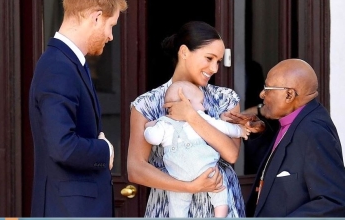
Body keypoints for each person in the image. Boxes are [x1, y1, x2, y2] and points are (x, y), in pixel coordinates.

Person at [127, 21, 264, 218]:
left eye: (218, 61)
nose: (215, 68)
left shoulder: (225, 98)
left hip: (220, 206)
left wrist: (191, 115)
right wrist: (189, 187)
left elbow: (231, 155)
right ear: (183, 52)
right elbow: (136, 169)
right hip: (171, 207)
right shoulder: (147, 104)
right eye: (209, 58)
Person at [29, 0, 127, 217]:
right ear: (95, 17)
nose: (110, 36)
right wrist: (104, 150)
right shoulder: (58, 67)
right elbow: (62, 146)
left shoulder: (68, 63)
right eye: (110, 25)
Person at [242, 58, 345, 217]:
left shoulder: (314, 131)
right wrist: (261, 133)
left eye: (267, 88)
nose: (262, 94)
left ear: (289, 94)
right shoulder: (291, 120)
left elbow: (333, 201)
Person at [144, 80, 250, 217]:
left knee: (177, 204)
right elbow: (223, 127)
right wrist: (240, 131)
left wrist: (149, 127)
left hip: (179, 176)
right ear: (186, 102)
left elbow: (153, 138)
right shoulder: (201, 117)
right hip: (206, 168)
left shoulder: (163, 123)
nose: (204, 107)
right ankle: (220, 215)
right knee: (219, 190)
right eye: (200, 103)